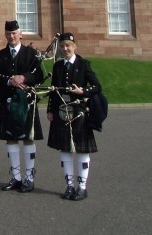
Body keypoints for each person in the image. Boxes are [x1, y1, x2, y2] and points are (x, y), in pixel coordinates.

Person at [46, 32, 102, 201]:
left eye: (68, 45)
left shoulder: (84, 64)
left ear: (74, 46)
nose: (65, 49)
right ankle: (69, 185)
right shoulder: (57, 66)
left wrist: (83, 91)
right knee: (65, 149)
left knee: (81, 150)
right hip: (61, 112)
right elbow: (54, 90)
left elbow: (97, 86)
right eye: (62, 46)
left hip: (79, 112)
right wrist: (50, 110)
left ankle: (82, 187)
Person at [0, 20, 45, 193]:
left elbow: (39, 74)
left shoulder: (31, 54)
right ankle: (15, 177)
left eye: (14, 33)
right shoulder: (0, 55)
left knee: (28, 137)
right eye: (8, 33)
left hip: (26, 101)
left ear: (20, 34)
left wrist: (23, 78)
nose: (11, 36)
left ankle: (29, 177)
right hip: (8, 100)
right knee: (11, 138)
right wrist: (8, 80)